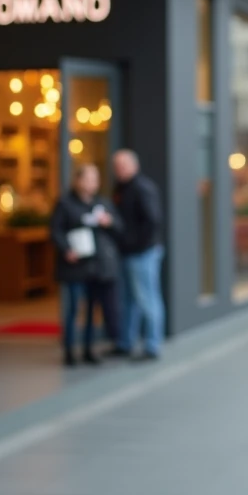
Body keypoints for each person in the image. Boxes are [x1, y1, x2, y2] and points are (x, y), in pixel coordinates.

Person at [50, 164, 121, 367]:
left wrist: (110, 222)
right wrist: (66, 249)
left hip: (94, 265)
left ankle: (89, 348)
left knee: (91, 309)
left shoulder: (102, 203)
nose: (92, 184)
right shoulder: (65, 203)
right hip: (74, 264)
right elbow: (55, 230)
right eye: (89, 179)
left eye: (95, 179)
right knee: (73, 309)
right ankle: (70, 350)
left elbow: (118, 227)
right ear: (78, 180)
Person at [111, 149, 165, 361]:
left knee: (147, 299)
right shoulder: (121, 189)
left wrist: (137, 244)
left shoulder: (142, 188)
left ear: (134, 165)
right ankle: (126, 342)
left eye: (123, 165)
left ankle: (152, 345)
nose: (119, 170)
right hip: (128, 252)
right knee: (128, 301)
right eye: (117, 166)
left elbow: (153, 221)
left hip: (143, 253)